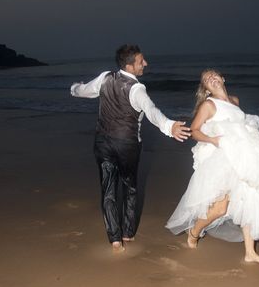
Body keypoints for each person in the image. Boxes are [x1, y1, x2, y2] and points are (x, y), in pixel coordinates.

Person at [71, 44, 191, 252]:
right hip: (127, 145)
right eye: (141, 61)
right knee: (130, 188)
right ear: (129, 65)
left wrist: (74, 88)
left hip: (102, 143)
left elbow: (83, 91)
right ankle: (127, 233)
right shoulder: (137, 88)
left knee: (108, 189)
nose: (145, 63)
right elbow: (152, 111)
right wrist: (170, 126)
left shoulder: (105, 78)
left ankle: (114, 239)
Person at [166, 69, 259, 264]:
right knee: (220, 209)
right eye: (206, 79)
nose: (211, 79)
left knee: (249, 199)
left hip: (244, 156)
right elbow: (195, 131)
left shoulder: (235, 101)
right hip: (223, 158)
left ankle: (250, 252)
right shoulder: (209, 104)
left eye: (214, 75)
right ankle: (194, 232)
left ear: (222, 78)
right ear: (205, 89)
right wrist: (212, 140)